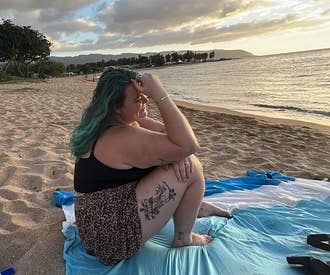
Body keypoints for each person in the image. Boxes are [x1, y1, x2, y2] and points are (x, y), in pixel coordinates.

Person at [70, 67, 230, 266]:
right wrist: (160, 95)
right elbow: (188, 145)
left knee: (176, 157)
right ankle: (184, 239)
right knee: (192, 167)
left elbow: (166, 132)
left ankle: (192, 206)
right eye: (139, 99)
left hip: (95, 225)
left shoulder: (107, 121)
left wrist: (176, 153)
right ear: (116, 107)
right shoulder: (119, 137)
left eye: (145, 95)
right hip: (111, 239)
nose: (145, 101)